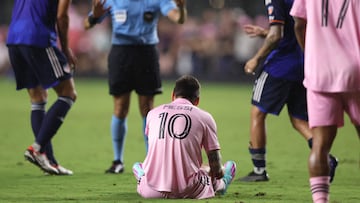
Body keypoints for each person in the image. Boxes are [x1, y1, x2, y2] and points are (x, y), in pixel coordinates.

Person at [238, 0, 338, 182]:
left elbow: (277, 35)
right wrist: (264, 33)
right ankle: (326, 158)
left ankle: (259, 171)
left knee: (257, 113)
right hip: (302, 65)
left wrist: (255, 58)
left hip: (279, 66)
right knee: (299, 119)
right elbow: (294, 31)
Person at [83, 0, 187, 174]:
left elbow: (178, 19)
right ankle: (118, 161)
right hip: (121, 53)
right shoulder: (111, 1)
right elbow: (87, 24)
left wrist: (182, 8)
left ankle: (150, 161)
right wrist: (94, 16)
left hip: (146, 53)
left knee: (147, 108)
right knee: (120, 107)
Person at [291, 1, 360, 202]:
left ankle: (321, 200)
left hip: (320, 71)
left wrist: (311, 55)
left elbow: (298, 23)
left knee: (320, 146)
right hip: (355, 70)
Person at [132, 75, 236, 199]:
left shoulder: (152, 114)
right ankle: (222, 185)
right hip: (189, 190)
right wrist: (218, 172)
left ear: (172, 95)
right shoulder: (205, 117)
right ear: (197, 101)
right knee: (209, 174)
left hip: (151, 191)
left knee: (139, 166)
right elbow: (217, 169)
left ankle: (141, 173)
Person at [6, 0, 77, 175]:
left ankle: (48, 161)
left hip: (14, 39)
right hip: (38, 38)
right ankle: (37, 149)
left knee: (37, 98)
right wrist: (66, 49)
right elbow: (61, 15)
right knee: (68, 93)